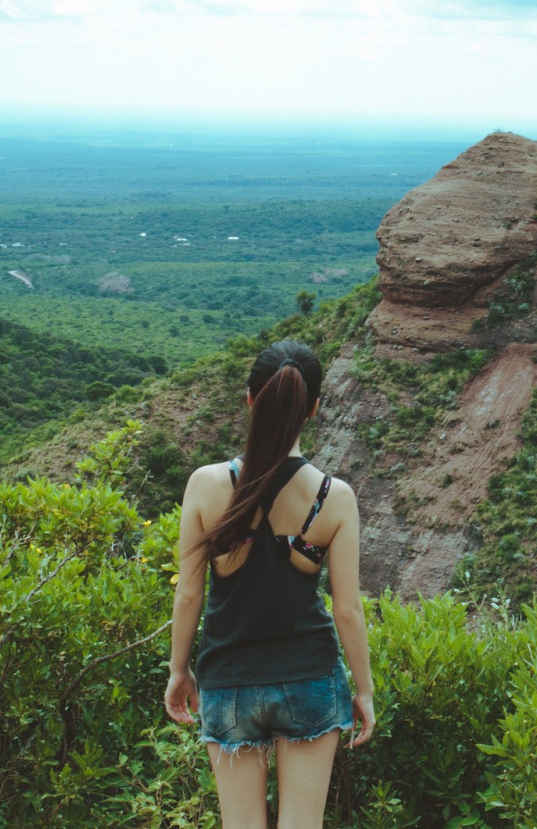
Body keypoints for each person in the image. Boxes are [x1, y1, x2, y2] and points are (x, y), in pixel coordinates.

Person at [165, 340, 375, 827]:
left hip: (229, 679)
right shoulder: (334, 497)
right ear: (314, 408)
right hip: (310, 678)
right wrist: (363, 690)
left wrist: (179, 671)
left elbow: (189, 592)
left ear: (249, 399)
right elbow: (347, 609)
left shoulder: (206, 484)